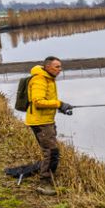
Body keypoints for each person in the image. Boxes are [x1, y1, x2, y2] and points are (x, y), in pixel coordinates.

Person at [17, 55, 73, 193]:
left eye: (60, 66)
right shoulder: (39, 80)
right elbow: (38, 102)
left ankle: (49, 180)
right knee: (52, 152)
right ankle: (44, 184)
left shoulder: (48, 79)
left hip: (46, 121)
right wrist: (59, 104)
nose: (60, 69)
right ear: (48, 67)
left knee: (52, 151)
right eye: (57, 67)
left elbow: (46, 101)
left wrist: (61, 108)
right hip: (40, 123)